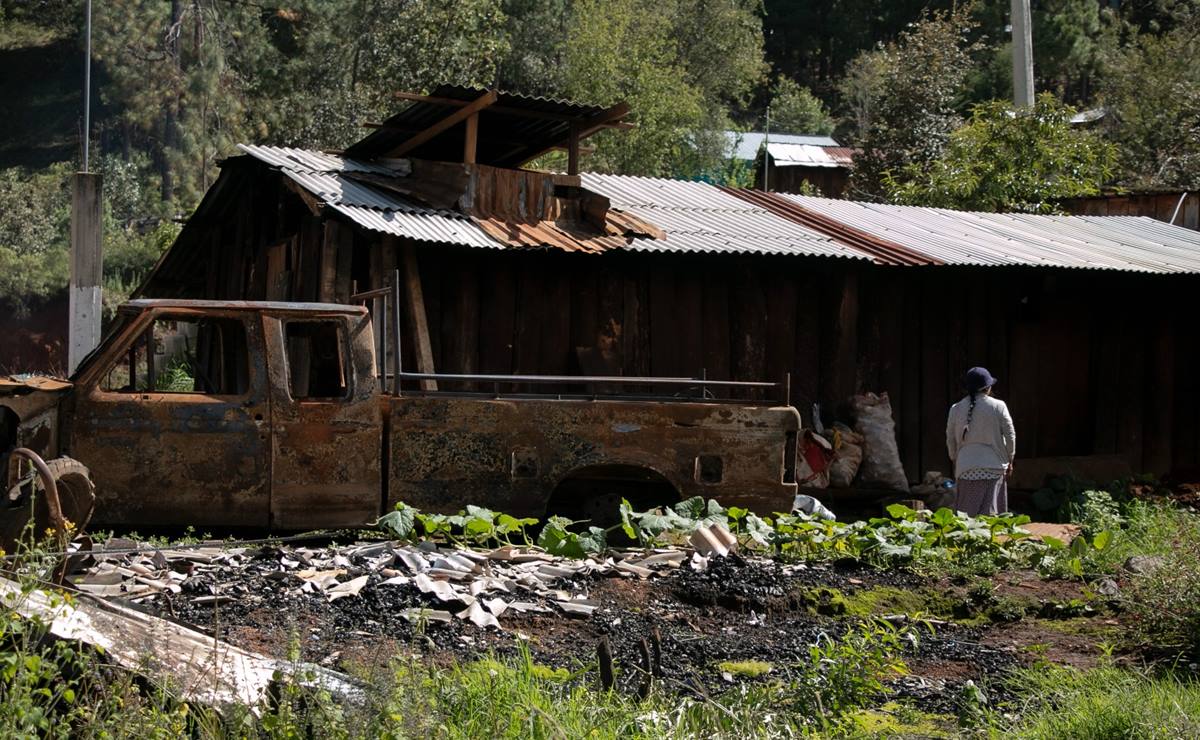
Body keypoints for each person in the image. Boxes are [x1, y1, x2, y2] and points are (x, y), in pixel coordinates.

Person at [946, 367, 1015, 515]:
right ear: (988, 388)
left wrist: (954, 459)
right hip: (994, 468)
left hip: (966, 469)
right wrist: (1010, 458)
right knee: (992, 518)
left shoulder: (955, 409)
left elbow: (950, 438)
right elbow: (1010, 435)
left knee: (966, 519)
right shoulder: (998, 406)